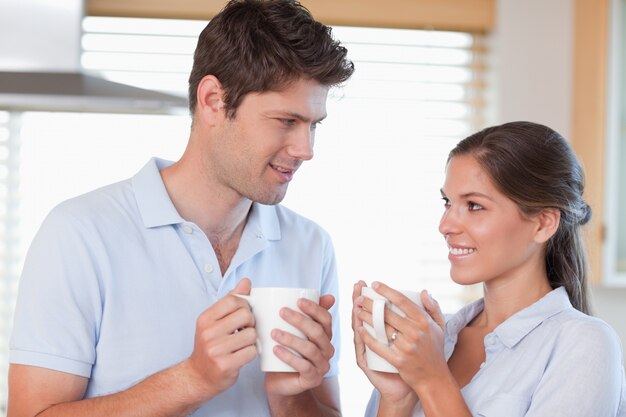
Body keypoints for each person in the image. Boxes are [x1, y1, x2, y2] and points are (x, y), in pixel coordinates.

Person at [8, 1, 354, 416]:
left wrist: (291, 395)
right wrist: (193, 379)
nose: (306, 149)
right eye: (286, 121)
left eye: (314, 125)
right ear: (212, 100)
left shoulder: (311, 246)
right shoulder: (79, 234)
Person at [352, 121, 626, 416]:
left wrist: (432, 380)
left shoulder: (584, 344)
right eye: (447, 202)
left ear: (543, 223)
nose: (445, 226)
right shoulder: (431, 341)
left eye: (474, 205)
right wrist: (396, 400)